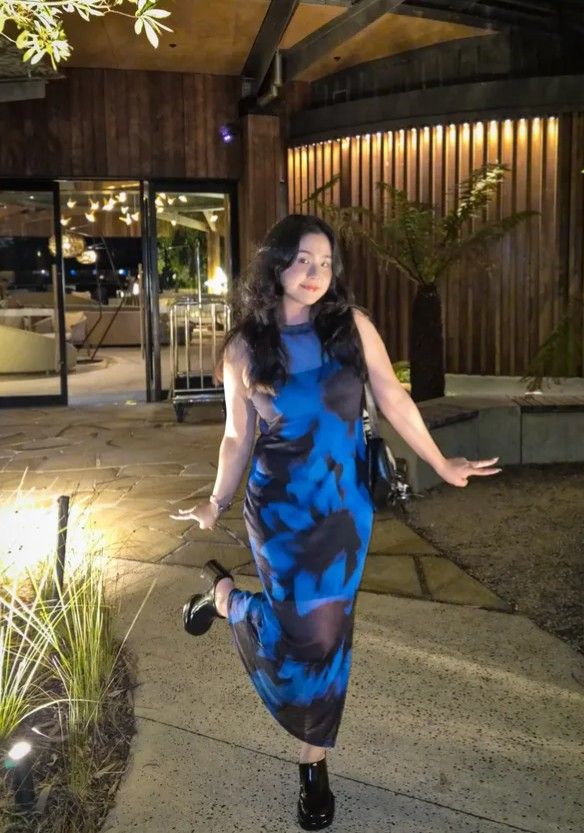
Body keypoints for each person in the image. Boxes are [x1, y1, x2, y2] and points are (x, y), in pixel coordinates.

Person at [171, 214, 500, 830]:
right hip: (280, 513)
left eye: (324, 262)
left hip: (344, 510)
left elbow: (393, 396)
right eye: (302, 260)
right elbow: (237, 436)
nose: (315, 273)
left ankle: (311, 760)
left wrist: (440, 462)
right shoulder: (245, 347)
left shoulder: (351, 328)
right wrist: (216, 501)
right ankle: (228, 602)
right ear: (276, 264)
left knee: (327, 637)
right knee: (307, 634)